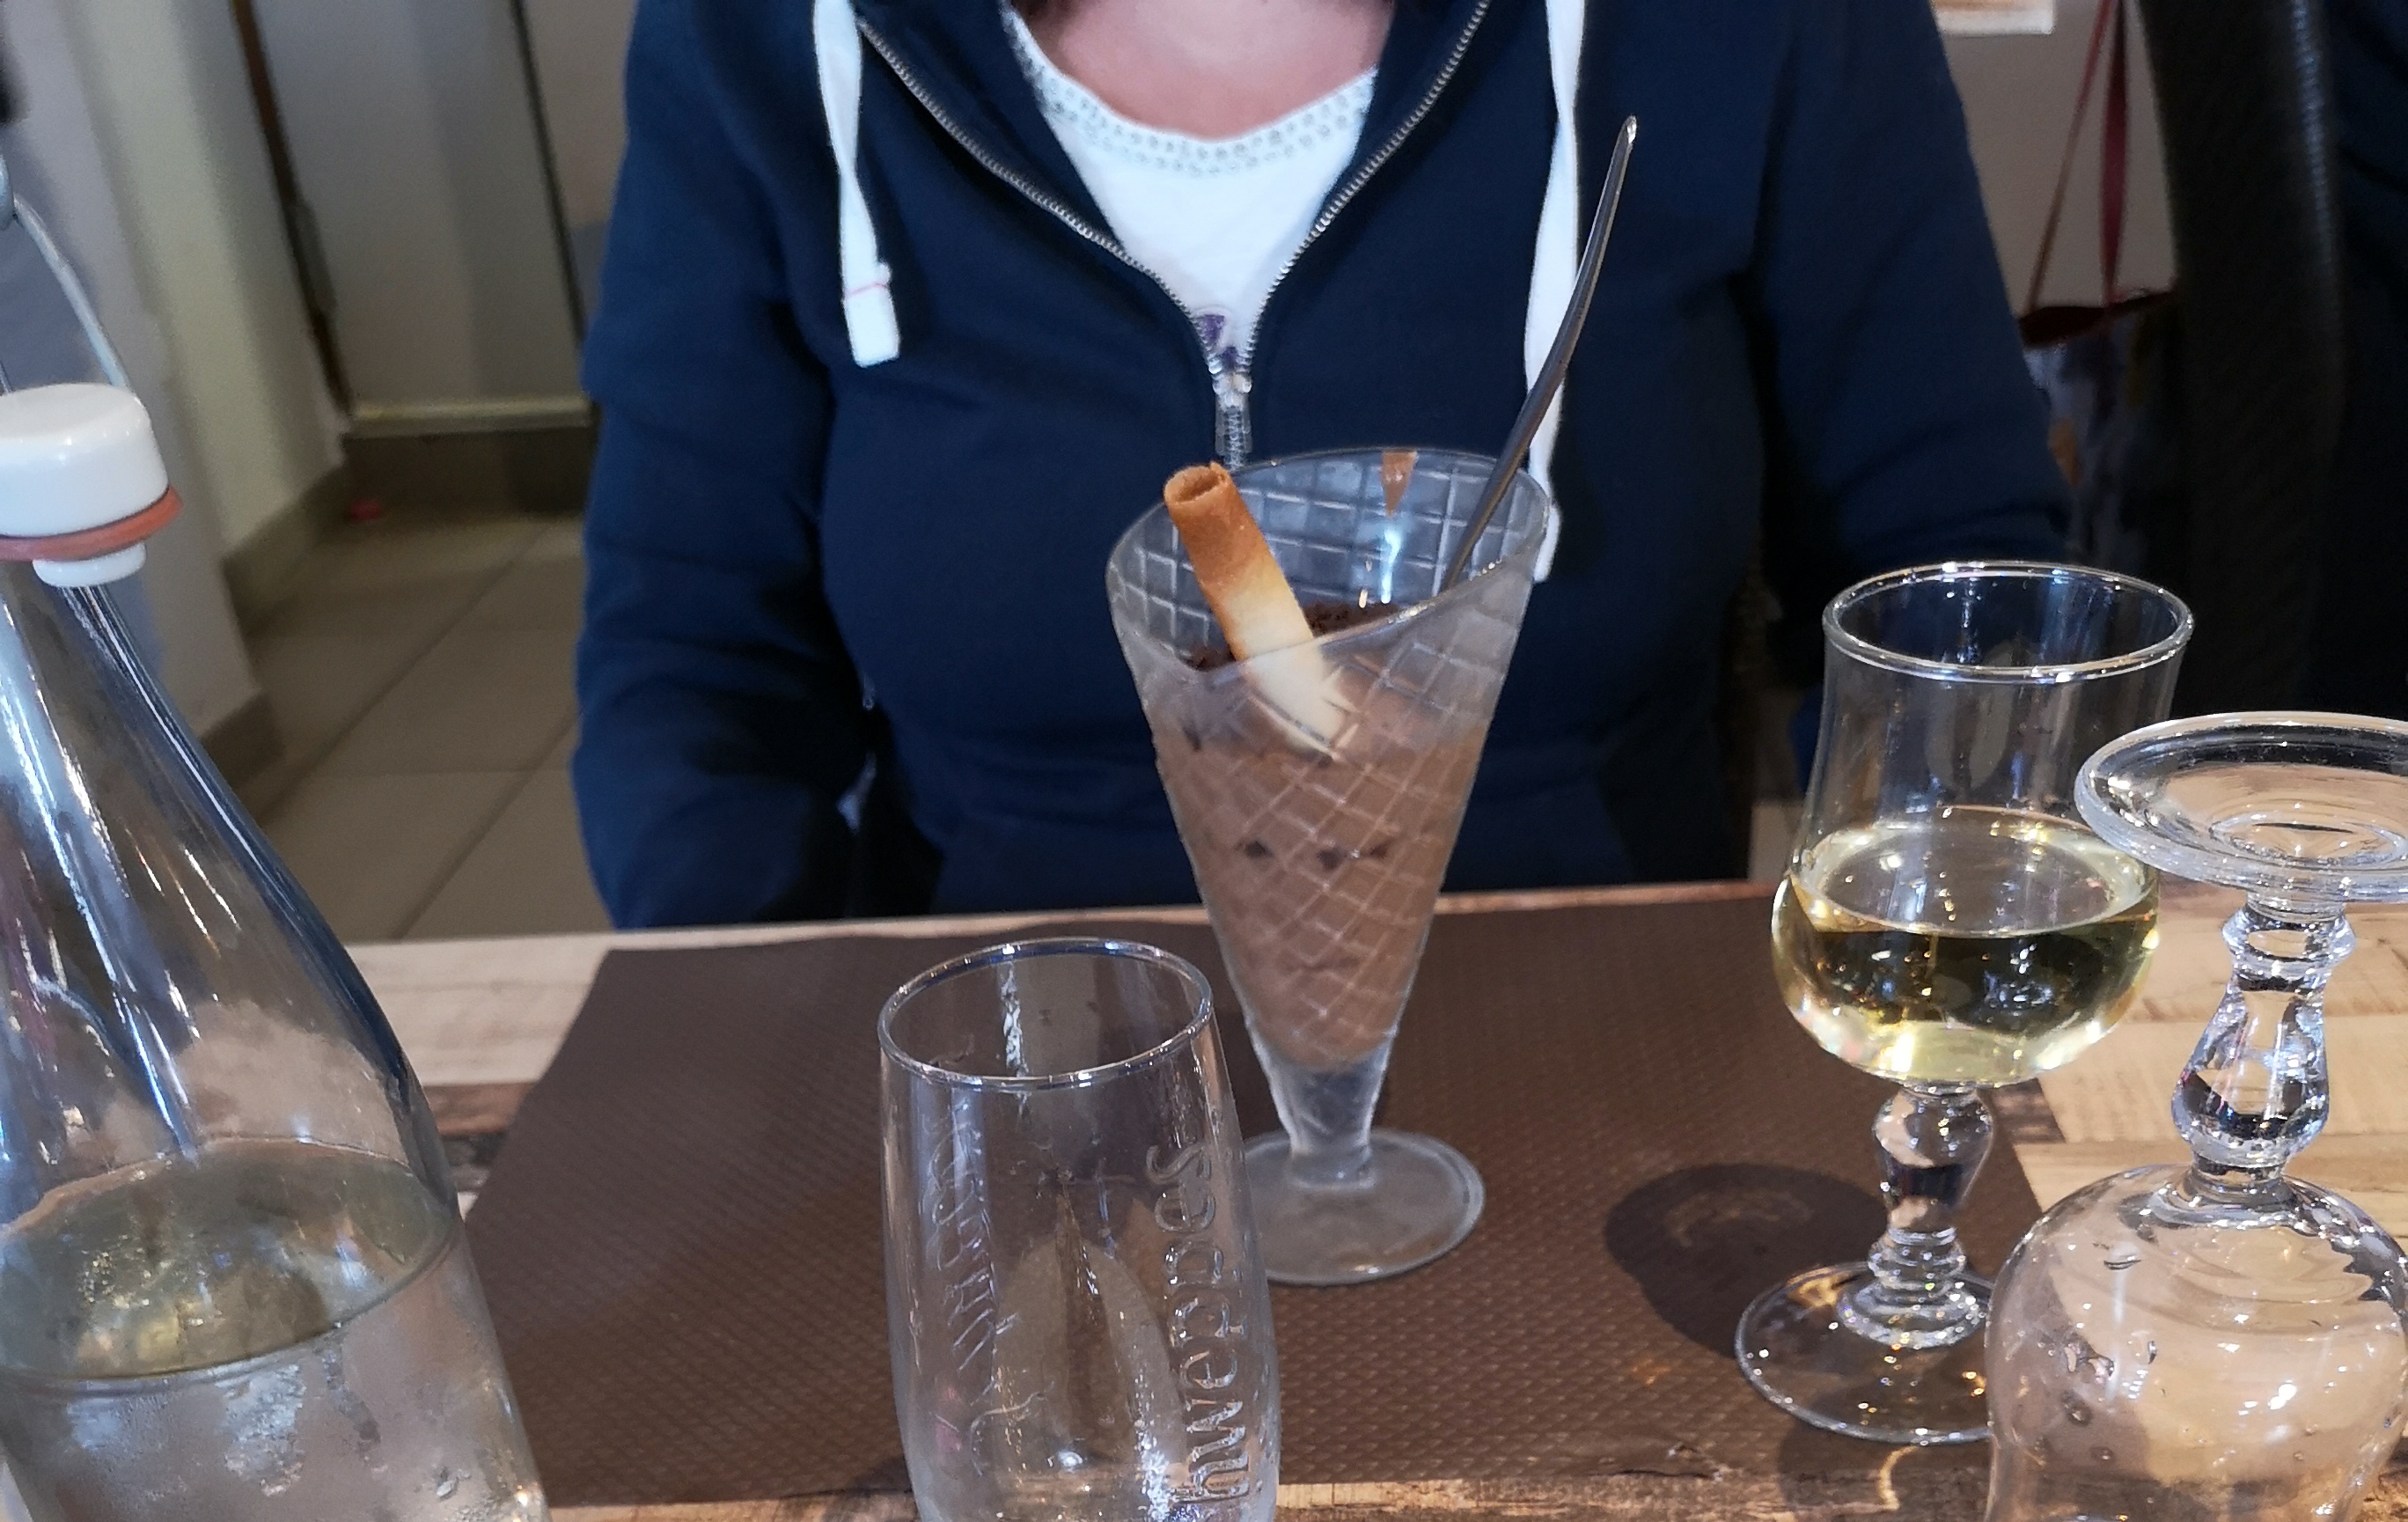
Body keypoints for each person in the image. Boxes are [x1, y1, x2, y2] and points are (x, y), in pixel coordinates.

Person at [574, 0, 2068, 925]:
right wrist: (764, 1039)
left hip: (1590, 1032)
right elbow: (693, 662)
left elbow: (1958, 585)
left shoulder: (1764, 27)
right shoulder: (754, 45)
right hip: (1021, 1047)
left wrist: (1916, 977)